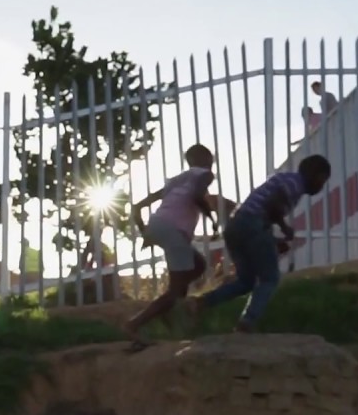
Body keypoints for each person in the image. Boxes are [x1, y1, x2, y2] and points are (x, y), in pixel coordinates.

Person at [188, 155, 332, 332]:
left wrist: (272, 240)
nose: (321, 187)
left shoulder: (284, 179)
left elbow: (261, 213)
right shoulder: (296, 184)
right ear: (316, 175)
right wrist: (285, 228)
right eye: (322, 181)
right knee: (269, 278)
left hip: (235, 227)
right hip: (251, 225)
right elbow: (271, 207)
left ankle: (201, 303)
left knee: (246, 281)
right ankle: (246, 323)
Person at [123, 144, 219, 349]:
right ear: (207, 159)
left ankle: (167, 308)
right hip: (173, 231)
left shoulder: (177, 180)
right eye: (211, 159)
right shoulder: (205, 175)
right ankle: (134, 325)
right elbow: (196, 197)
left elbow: (138, 206)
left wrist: (146, 233)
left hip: (160, 226)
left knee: (198, 265)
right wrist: (212, 219)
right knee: (177, 289)